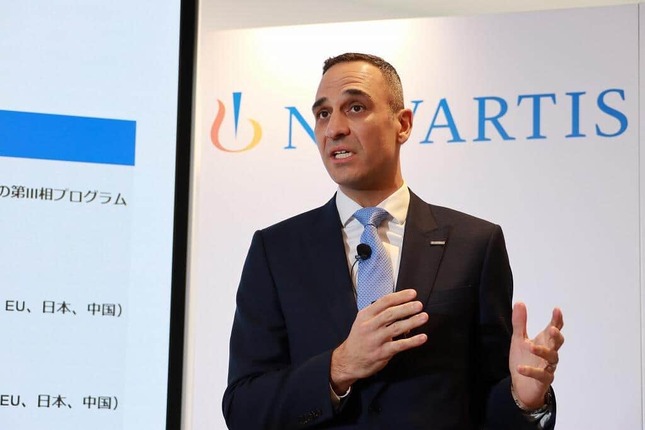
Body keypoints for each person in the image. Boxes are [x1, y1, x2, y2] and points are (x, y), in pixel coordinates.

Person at [222, 53, 564, 429]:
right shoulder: (276, 252)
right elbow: (244, 408)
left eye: (355, 107)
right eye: (323, 114)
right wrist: (339, 367)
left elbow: (488, 404)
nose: (334, 128)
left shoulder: (475, 245)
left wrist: (524, 399)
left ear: (402, 124)